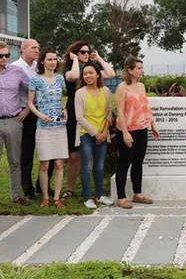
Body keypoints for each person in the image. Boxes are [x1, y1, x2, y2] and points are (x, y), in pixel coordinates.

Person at [61, 41, 115, 202]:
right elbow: (77, 76)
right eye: (82, 52)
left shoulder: (94, 74)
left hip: (96, 117)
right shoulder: (71, 68)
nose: (86, 54)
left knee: (95, 162)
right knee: (74, 155)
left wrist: (97, 57)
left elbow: (111, 74)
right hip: (76, 113)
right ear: (75, 53)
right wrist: (75, 60)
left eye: (88, 52)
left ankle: (97, 193)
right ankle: (71, 189)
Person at [11, 39, 54, 200]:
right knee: (27, 152)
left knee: (47, 151)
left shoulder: (39, 67)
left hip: (42, 112)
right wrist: (26, 110)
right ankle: (27, 188)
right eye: (34, 48)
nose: (37, 50)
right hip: (24, 115)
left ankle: (42, 184)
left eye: (38, 47)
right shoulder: (15, 67)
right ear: (23, 49)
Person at [115, 57, 160, 209]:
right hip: (128, 130)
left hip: (142, 129)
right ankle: (121, 197)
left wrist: (152, 124)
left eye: (142, 67)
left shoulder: (141, 86)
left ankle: (137, 193)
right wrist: (125, 133)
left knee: (138, 162)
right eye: (139, 68)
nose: (142, 71)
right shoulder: (122, 87)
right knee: (124, 163)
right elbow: (120, 111)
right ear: (130, 70)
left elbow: (145, 107)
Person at [28, 47, 68, 208]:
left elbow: (64, 98)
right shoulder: (35, 79)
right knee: (44, 164)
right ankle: (45, 197)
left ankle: (57, 198)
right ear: (42, 61)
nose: (53, 62)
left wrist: (65, 110)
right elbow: (30, 103)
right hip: (43, 126)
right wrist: (39, 114)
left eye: (55, 59)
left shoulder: (60, 79)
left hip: (59, 126)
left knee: (59, 164)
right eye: (50, 59)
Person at [75, 61, 115, 209]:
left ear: (98, 74)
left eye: (91, 73)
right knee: (87, 166)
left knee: (99, 166)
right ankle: (87, 197)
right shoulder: (80, 93)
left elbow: (109, 111)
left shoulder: (105, 91)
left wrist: (104, 132)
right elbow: (79, 117)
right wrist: (95, 133)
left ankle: (100, 195)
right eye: (85, 74)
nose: (88, 76)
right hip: (86, 134)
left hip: (102, 134)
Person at [0, 41, 30, 206]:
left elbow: (32, 90)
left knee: (15, 161)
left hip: (13, 121)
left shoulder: (17, 72)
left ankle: (17, 195)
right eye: (1, 56)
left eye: (7, 55)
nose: (4, 58)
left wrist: (26, 110)